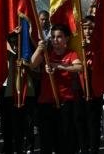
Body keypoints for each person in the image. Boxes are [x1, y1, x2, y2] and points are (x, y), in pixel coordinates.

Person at [31, 23, 84, 154]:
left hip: (65, 102)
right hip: (46, 103)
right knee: (46, 141)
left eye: (59, 37)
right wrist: (39, 48)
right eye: (53, 37)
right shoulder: (46, 53)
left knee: (65, 140)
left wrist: (59, 66)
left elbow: (79, 67)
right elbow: (32, 64)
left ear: (66, 38)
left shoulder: (71, 54)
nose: (55, 40)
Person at [78, 15, 104, 154]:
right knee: (80, 123)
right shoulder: (77, 44)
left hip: (94, 89)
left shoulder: (99, 44)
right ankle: (83, 149)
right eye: (85, 28)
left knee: (94, 124)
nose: (88, 31)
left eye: (91, 28)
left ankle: (94, 149)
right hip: (79, 89)